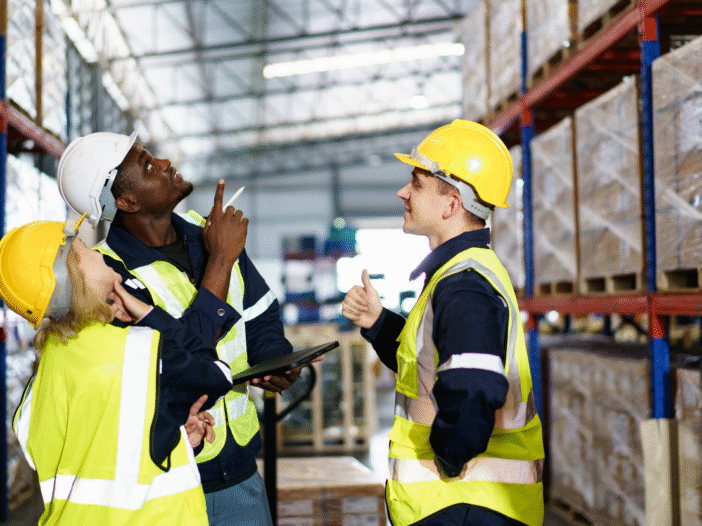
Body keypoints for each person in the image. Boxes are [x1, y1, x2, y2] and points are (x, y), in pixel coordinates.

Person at [56, 130, 299, 526]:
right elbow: (179, 370)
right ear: (126, 201)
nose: (165, 164)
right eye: (148, 166)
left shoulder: (210, 232)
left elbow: (261, 314)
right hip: (168, 482)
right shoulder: (108, 275)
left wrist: (274, 356)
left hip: (238, 471)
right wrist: (220, 260)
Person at [342, 120, 545, 526]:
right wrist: (379, 323)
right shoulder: (456, 275)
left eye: (416, 184)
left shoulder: (464, 285)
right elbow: (427, 369)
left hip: (462, 505)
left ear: (451, 203)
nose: (403, 192)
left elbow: (473, 387)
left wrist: (450, 457)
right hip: (464, 505)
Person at [1, 218, 235, 524]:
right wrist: (151, 315)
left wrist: (171, 429)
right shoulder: (144, 350)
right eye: (84, 250)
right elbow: (219, 375)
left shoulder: (48, 368)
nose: (100, 254)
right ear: (71, 275)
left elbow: (94, 451)